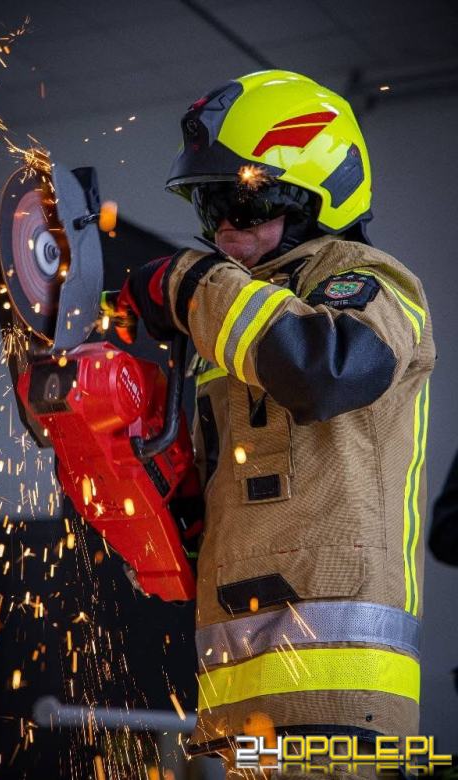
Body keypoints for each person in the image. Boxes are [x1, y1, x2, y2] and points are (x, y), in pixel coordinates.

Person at [115, 70, 436, 777]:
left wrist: (191, 282)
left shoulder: (371, 282)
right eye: (210, 207)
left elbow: (327, 369)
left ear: (318, 193)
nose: (226, 229)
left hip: (346, 707)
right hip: (237, 709)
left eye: (243, 202)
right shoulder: (239, 324)